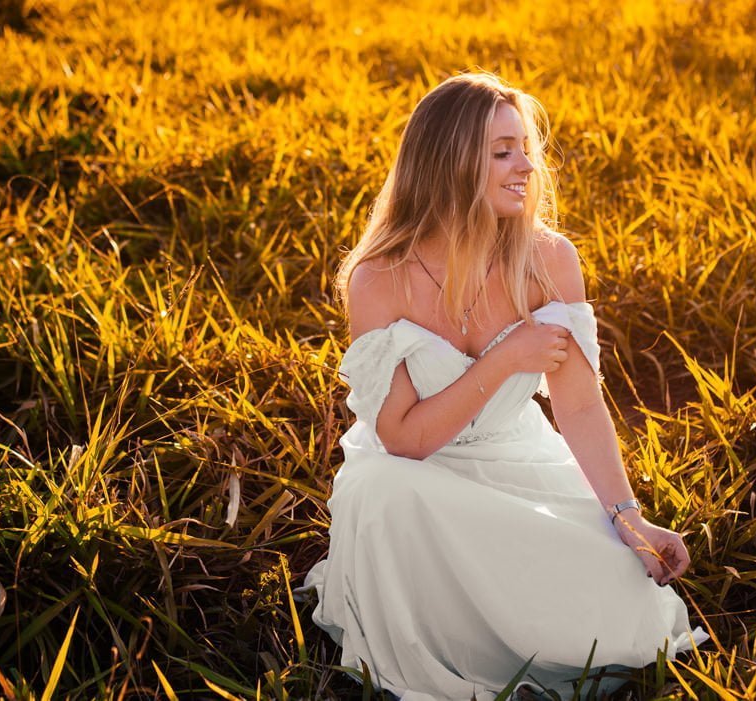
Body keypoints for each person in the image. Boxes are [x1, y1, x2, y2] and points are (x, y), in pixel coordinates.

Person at [301, 71, 709, 701]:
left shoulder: (548, 259)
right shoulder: (380, 279)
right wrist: (505, 358)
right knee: (388, 492)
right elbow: (404, 440)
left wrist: (630, 520)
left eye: (525, 148)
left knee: (619, 594)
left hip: (519, 460)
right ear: (447, 164)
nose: (526, 166)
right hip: (416, 477)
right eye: (502, 152)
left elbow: (576, 403)